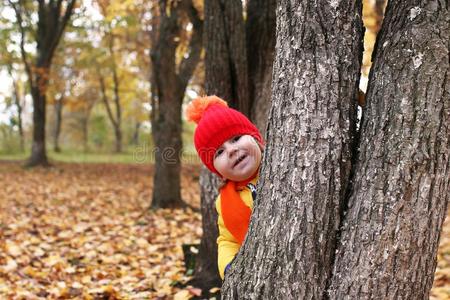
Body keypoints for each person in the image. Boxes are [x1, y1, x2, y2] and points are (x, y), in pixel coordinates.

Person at [186, 95, 264, 280]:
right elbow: (227, 240)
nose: (231, 150)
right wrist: (229, 267)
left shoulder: (283, 168)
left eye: (236, 138)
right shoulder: (226, 202)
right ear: (217, 170)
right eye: (219, 152)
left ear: (255, 138)